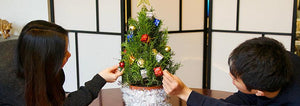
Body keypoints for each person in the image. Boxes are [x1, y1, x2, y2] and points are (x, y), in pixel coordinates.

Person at [0, 20, 123, 106]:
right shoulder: (18, 90)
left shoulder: (39, 62)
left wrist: (100, 78)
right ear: (46, 60)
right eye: (63, 54)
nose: (69, 55)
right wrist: (99, 80)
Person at [163, 37, 300, 105]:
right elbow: (242, 99)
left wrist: (184, 93)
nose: (230, 76)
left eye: (235, 79)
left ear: (259, 91)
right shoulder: (272, 58)